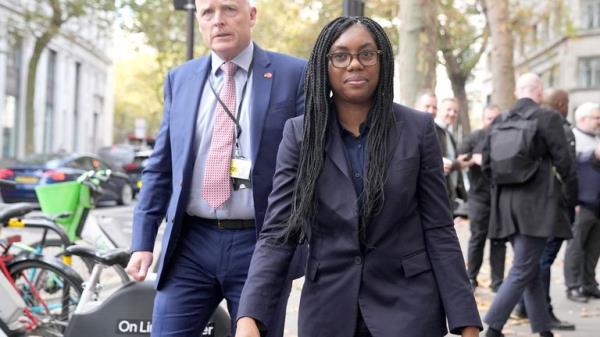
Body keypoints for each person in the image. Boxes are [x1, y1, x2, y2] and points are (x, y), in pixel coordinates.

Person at [235, 16, 482, 337]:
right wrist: (249, 316)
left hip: (409, 309)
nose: (354, 64)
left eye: (366, 54)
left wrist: (466, 322)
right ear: (325, 64)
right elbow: (278, 232)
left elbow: (439, 229)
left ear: (382, 61)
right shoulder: (300, 134)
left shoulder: (417, 130)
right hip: (328, 311)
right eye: (341, 56)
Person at [125, 0, 306, 336]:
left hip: (260, 244)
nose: (218, 21)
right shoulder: (179, 79)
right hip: (190, 245)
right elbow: (161, 166)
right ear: (199, 21)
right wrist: (142, 241)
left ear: (252, 15)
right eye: (207, 12)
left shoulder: (294, 75)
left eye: (229, 10)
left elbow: (307, 168)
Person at [482, 73, 577, 337]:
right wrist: (572, 199)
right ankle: (492, 327)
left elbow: (488, 166)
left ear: (517, 92)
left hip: (506, 206)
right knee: (523, 268)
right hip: (537, 205)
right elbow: (565, 164)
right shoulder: (548, 118)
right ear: (539, 91)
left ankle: (543, 330)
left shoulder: (499, 121)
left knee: (530, 268)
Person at [512, 88, 578, 331]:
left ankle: (529, 311)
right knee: (540, 261)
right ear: (561, 104)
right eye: (567, 102)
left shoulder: (521, 121)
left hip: (524, 206)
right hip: (551, 205)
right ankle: (536, 313)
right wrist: (573, 201)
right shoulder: (554, 123)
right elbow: (567, 166)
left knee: (533, 261)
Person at [457, 104, 506, 292]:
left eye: (496, 118)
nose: (493, 122)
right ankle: (471, 278)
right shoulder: (475, 137)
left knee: (498, 239)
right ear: (483, 119)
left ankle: (498, 281)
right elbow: (461, 157)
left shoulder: (505, 136)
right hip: (479, 196)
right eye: (489, 118)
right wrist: (475, 158)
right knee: (478, 237)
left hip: (500, 196)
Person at [564, 102, 600, 302]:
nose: (599, 121)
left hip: (597, 204)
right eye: (596, 117)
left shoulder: (596, 138)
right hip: (581, 203)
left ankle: (589, 283)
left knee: (594, 247)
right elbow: (570, 169)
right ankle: (573, 286)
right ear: (583, 119)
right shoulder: (573, 137)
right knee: (576, 246)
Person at [416, 93, 470, 208]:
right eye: (449, 109)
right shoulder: (429, 131)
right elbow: (437, 165)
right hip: (432, 198)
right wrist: (457, 163)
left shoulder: (449, 135)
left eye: (455, 111)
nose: (452, 114)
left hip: (448, 198)